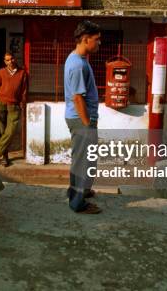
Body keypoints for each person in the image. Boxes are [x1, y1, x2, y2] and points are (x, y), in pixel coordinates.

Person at [64, 20, 102, 214]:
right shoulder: (77, 65)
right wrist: (87, 124)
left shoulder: (78, 59)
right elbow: (78, 98)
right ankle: (77, 203)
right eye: (97, 39)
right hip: (81, 120)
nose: (99, 43)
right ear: (86, 40)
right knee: (83, 161)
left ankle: (80, 191)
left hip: (80, 118)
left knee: (84, 158)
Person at [0, 52, 28, 167]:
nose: (10, 61)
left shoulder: (22, 73)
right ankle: (3, 156)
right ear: (4, 61)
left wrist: (23, 102)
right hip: (0, 102)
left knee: (10, 131)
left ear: (14, 59)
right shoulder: (1, 71)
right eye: (7, 60)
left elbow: (24, 90)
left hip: (14, 105)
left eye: (11, 59)